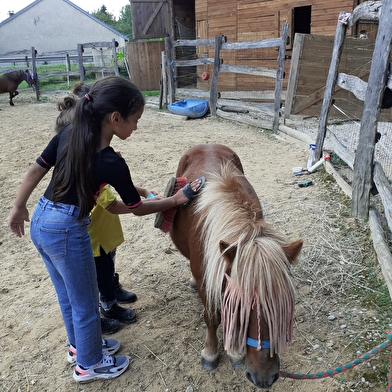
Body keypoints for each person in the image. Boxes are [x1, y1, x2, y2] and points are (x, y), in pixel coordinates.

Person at [8, 75, 204, 382]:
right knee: (86, 303)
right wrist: (176, 199)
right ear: (115, 118)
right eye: (135, 120)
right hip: (67, 229)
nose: (136, 127)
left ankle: (80, 347)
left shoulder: (70, 132)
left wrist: (19, 207)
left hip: (43, 221)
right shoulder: (110, 160)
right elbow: (137, 209)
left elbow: (37, 168)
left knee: (68, 296)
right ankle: (90, 365)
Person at [55, 88, 143, 335]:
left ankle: (110, 292)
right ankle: (107, 305)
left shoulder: (97, 160)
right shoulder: (85, 167)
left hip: (104, 232)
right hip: (92, 236)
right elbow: (114, 203)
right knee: (96, 274)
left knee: (107, 266)